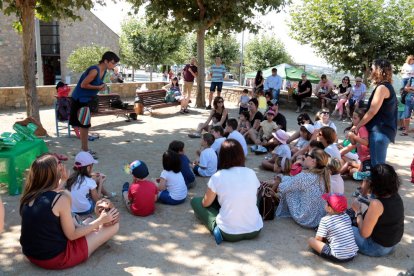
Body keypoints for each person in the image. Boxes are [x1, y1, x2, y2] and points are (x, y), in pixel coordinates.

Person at [20, 153, 119, 269]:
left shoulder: (29, 195)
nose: (62, 166)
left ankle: (92, 226)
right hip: (56, 258)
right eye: (59, 164)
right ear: (54, 173)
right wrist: (101, 221)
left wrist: (63, 180)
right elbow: (72, 235)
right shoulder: (61, 199)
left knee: (88, 220)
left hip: (31, 254)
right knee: (112, 226)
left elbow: (51, 194)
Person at [190, 139, 263, 244]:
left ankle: (217, 223)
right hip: (255, 230)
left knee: (196, 201)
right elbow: (254, 196)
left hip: (228, 233)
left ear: (222, 156)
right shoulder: (251, 172)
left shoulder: (218, 176)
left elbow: (205, 203)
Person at [69, 51, 119, 158]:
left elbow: (95, 84)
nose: (114, 65)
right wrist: (98, 87)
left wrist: (102, 85)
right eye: (113, 63)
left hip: (86, 100)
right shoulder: (94, 70)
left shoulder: (104, 71)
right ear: (106, 61)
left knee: (85, 125)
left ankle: (85, 150)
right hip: (80, 99)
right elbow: (83, 85)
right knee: (84, 125)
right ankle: (84, 151)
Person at [351, 164, 404, 257]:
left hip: (376, 248)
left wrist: (358, 211)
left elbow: (364, 234)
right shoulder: (395, 194)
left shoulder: (376, 204)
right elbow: (366, 198)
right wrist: (365, 187)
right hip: (392, 244)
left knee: (341, 227)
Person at [354, 59, 397, 167]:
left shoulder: (382, 88)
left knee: (378, 167)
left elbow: (372, 111)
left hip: (380, 132)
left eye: (372, 69)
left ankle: (381, 184)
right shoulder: (385, 87)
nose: (370, 72)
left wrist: (358, 126)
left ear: (378, 71)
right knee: (376, 165)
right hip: (382, 132)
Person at [274, 148, 330, 228]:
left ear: (313, 161)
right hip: (318, 219)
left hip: (305, 220)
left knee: (289, 189)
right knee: (291, 183)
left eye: (307, 155)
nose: (304, 156)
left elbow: (283, 188)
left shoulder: (305, 176)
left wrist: (279, 180)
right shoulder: (323, 175)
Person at [308, 193, 358, 262]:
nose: (324, 204)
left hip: (338, 256)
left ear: (329, 209)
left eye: (326, 203)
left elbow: (318, 239)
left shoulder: (325, 220)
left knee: (311, 240)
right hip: (352, 254)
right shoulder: (346, 216)